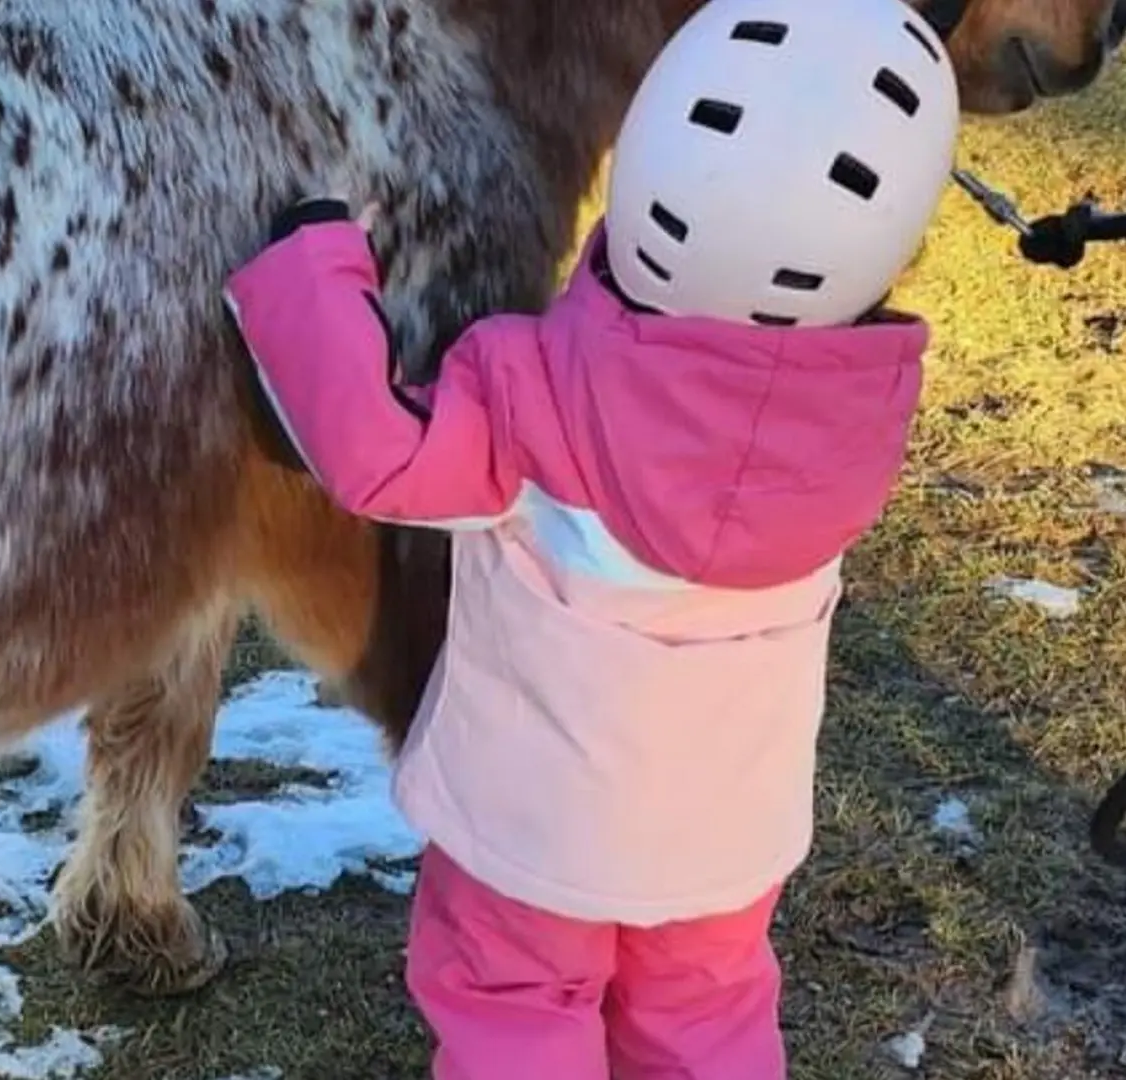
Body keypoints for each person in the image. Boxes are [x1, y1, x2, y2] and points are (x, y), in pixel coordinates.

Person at [220, 0, 962, 1075]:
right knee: (706, 1018)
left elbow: (372, 451)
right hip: (722, 846)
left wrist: (309, 268)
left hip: (533, 836)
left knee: (515, 1004)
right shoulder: (850, 430)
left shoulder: (536, 395)